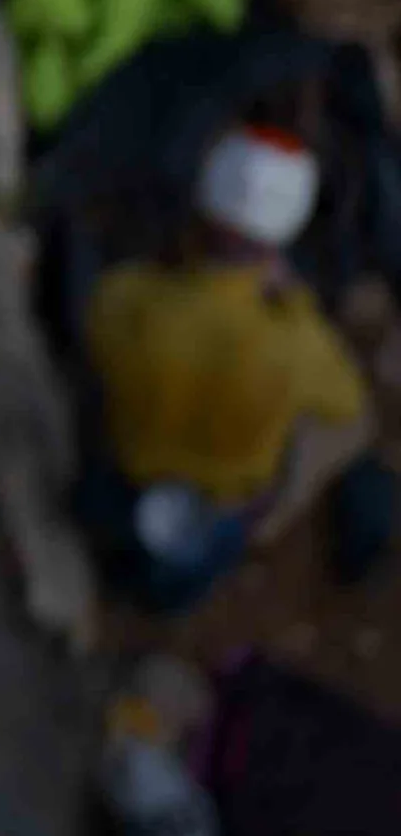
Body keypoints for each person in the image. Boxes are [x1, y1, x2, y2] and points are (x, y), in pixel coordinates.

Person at [80, 123, 386, 613]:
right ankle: (162, 607)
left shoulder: (131, 299)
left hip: (127, 474)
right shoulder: (296, 344)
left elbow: (97, 327)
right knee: (183, 583)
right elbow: (346, 398)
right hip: (222, 505)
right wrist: (296, 306)